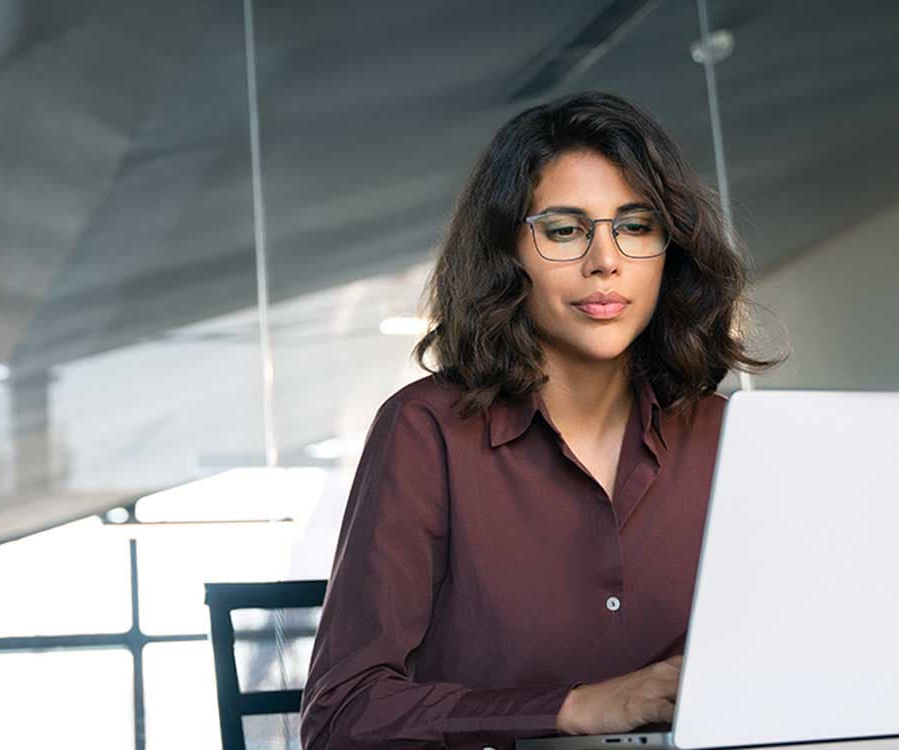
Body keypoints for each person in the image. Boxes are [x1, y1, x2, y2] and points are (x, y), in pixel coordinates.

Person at [299, 90, 788, 750]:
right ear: (509, 254)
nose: (605, 260)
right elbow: (343, 716)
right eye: (564, 231)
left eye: (636, 226)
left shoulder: (729, 436)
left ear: (671, 251)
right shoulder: (426, 431)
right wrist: (575, 707)